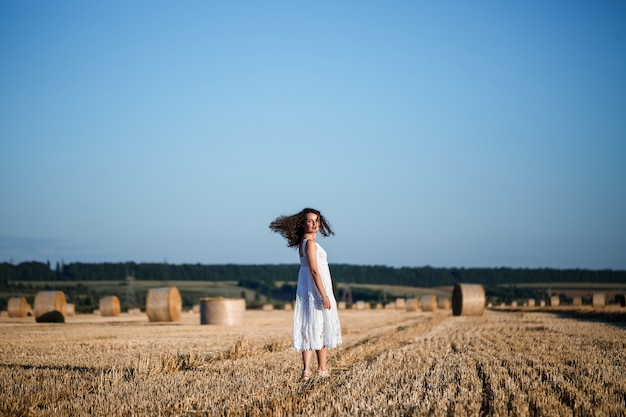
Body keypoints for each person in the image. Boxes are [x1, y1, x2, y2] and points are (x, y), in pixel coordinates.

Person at [269, 208, 342, 380]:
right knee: (320, 329)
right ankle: (322, 369)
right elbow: (315, 271)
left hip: (308, 290)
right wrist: (324, 295)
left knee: (309, 328)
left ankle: (306, 371)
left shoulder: (303, 242)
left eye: (316, 220)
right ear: (303, 223)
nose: (314, 224)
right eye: (310, 220)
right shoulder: (309, 243)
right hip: (316, 290)